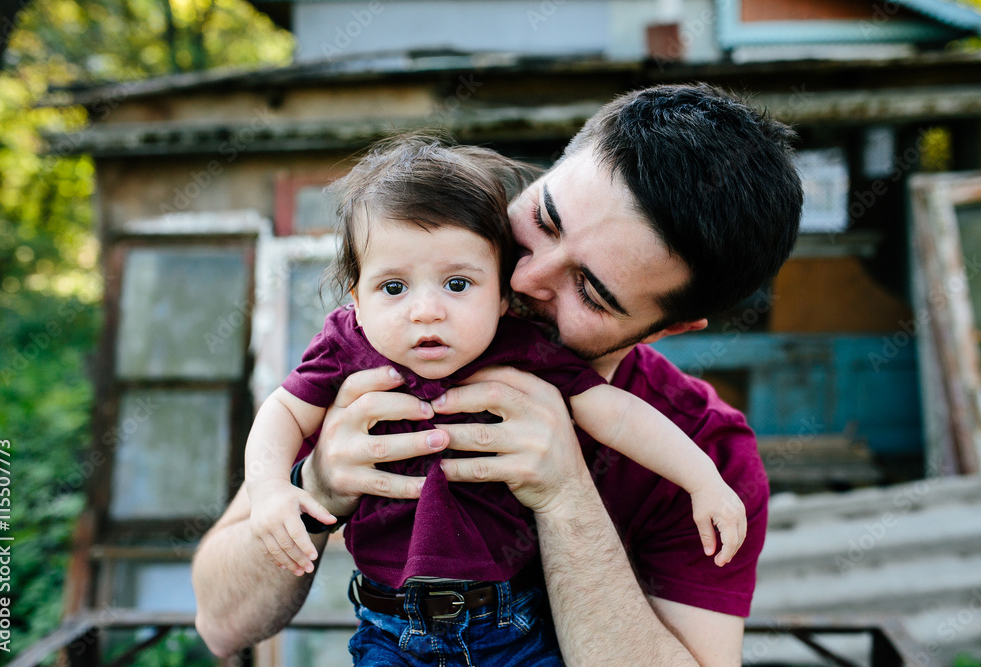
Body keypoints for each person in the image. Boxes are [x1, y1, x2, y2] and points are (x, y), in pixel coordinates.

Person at [192, 83, 803, 666]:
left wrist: (566, 497)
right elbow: (220, 624)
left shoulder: (706, 450)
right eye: (544, 220)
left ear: (668, 328)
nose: (523, 279)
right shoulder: (390, 348)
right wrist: (318, 485)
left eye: (589, 292)